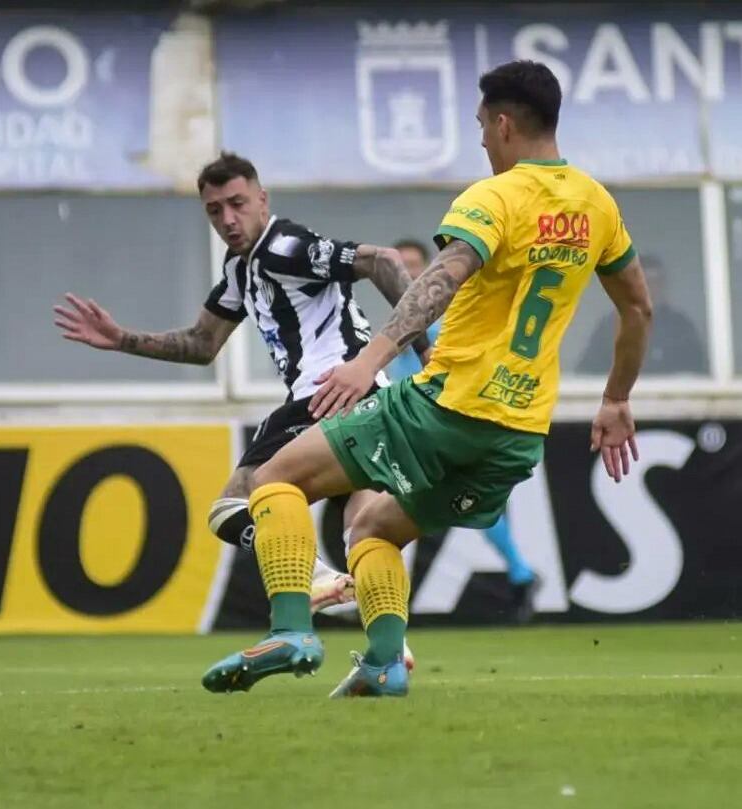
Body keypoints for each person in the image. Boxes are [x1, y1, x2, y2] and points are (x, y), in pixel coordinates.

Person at [201, 60, 651, 697]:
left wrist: (368, 361)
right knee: (373, 528)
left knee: (274, 479)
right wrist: (616, 399)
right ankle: (384, 663)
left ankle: (293, 629)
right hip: (517, 437)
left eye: (481, 127)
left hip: (447, 408)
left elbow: (440, 281)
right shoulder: (597, 205)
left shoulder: (494, 197)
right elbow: (637, 306)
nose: (482, 141)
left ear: (502, 122)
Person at [53, 151, 429, 619]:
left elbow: (384, 260)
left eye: (238, 203)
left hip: (326, 395)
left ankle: (316, 580)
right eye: (215, 211)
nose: (228, 219)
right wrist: (121, 339)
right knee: (364, 528)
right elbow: (201, 343)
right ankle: (389, 649)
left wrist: (426, 352)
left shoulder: (284, 246)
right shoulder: (239, 269)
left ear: (262, 199)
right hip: (369, 400)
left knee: (233, 505)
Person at [389, 238, 540, 624]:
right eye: (400, 267)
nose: (407, 275)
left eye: (413, 265)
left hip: (438, 420)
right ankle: (521, 573)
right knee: (454, 503)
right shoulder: (398, 318)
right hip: (409, 420)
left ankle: (385, 598)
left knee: (398, 503)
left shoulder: (446, 318)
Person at [577, 254, 707, 375]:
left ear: (664, 285)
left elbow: (695, 372)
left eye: (656, 281)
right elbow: (588, 373)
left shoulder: (680, 326)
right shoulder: (609, 327)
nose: (650, 287)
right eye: (644, 280)